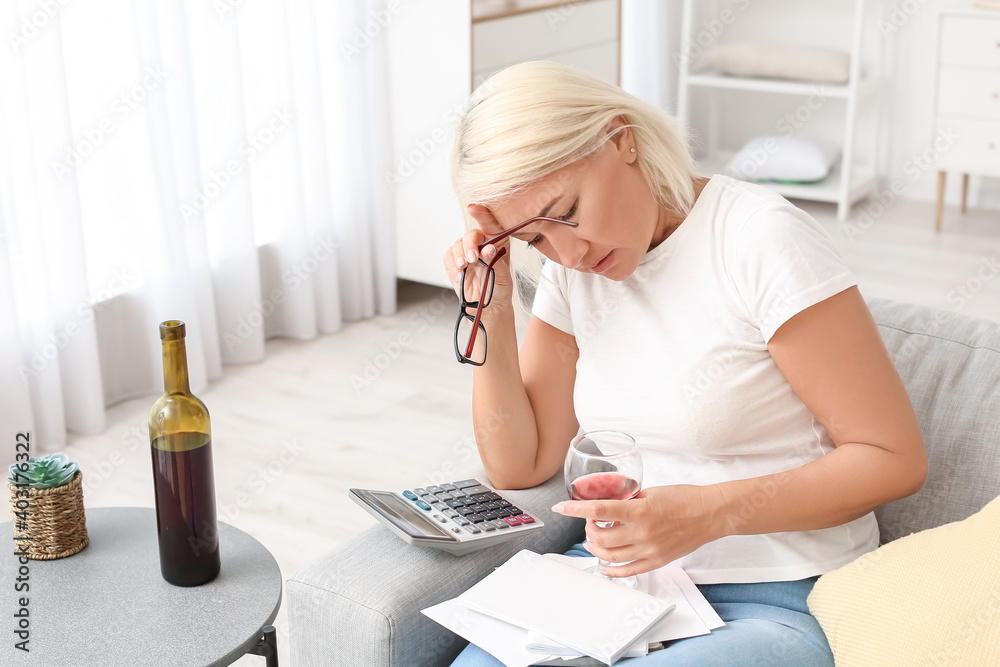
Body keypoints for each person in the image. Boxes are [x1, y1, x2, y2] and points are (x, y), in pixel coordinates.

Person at [442, 61, 927, 666]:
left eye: (566, 212)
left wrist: (708, 513)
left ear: (621, 140)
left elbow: (893, 460)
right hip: (621, 588)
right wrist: (493, 310)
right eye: (534, 240)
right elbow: (521, 463)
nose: (568, 252)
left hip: (778, 596)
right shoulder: (572, 276)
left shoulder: (758, 240)